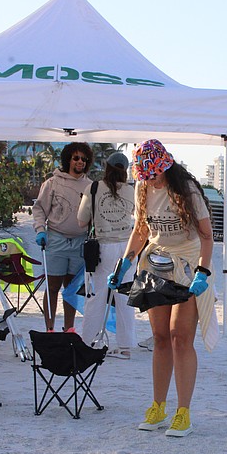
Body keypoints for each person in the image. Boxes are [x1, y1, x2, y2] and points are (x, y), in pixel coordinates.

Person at [107, 139, 216, 438]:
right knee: (159, 337)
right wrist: (124, 264)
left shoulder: (187, 191)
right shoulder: (143, 188)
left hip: (187, 265)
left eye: (154, 173)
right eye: (145, 174)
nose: (150, 178)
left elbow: (207, 236)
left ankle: (183, 413)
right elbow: (141, 230)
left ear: (165, 165)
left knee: (180, 336)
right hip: (154, 265)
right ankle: (158, 406)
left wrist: (203, 272)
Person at [77, 151, 136, 357]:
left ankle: (86, 341)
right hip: (127, 247)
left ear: (106, 167)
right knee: (125, 296)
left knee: (97, 295)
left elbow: (81, 220)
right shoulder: (132, 191)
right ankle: (125, 346)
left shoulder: (93, 188)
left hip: (103, 246)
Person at [32, 142, 93, 332]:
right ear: (68, 159)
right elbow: (39, 209)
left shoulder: (91, 186)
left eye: (84, 159)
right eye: (76, 158)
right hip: (56, 239)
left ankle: (69, 328)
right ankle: (50, 328)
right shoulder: (52, 183)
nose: (80, 162)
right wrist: (40, 230)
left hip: (79, 242)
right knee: (52, 287)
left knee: (71, 289)